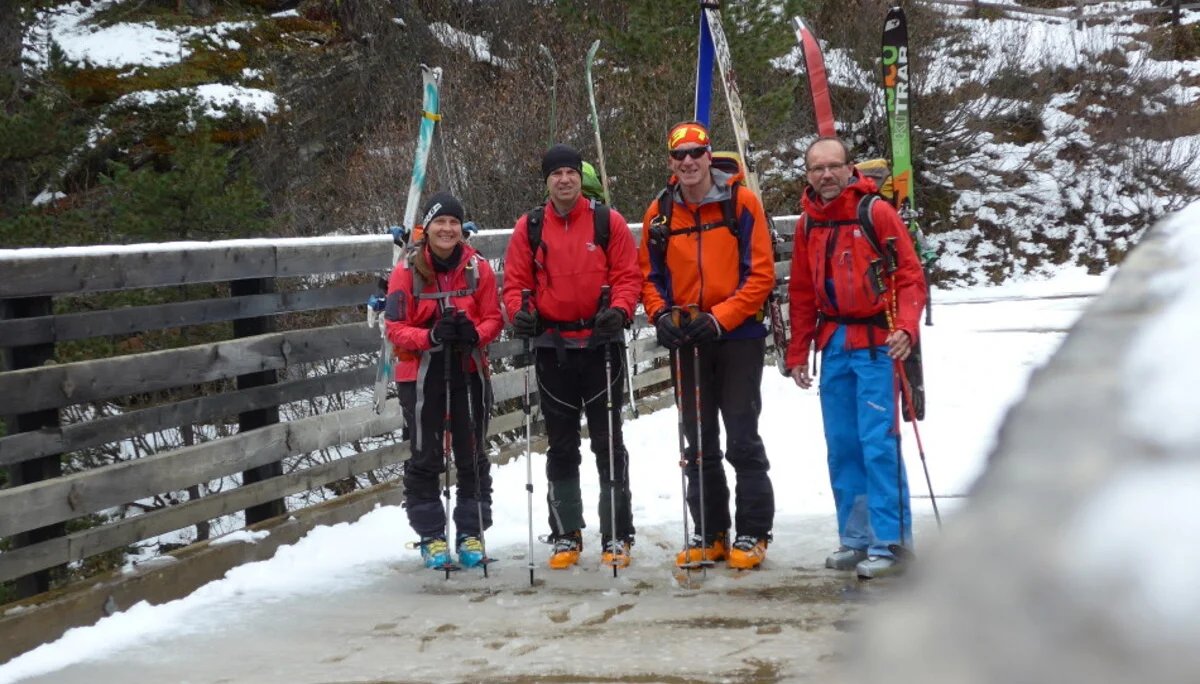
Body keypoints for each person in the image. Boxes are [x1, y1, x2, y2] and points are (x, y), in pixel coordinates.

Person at [784, 137, 927, 579]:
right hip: (835, 345)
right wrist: (797, 351)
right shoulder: (809, 224)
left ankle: (891, 541)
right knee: (843, 444)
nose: (826, 175)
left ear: (850, 168)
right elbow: (803, 293)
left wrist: (905, 326)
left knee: (878, 442)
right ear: (807, 175)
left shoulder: (876, 212)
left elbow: (909, 276)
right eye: (816, 168)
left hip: (878, 344)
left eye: (833, 166)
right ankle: (856, 537)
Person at [637, 121, 777, 571]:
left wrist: (721, 318)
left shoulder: (741, 202)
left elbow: (760, 275)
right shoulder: (659, 213)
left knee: (741, 437)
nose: (689, 162)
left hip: (736, 336)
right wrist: (660, 315)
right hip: (688, 338)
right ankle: (709, 531)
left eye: (696, 153)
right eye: (680, 156)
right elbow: (649, 276)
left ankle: (753, 530)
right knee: (697, 441)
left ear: (709, 155)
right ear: (670, 163)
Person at [501, 144, 643, 570]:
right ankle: (566, 532)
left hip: (601, 346)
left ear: (581, 177)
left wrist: (620, 310)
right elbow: (514, 284)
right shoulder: (529, 227)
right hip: (553, 348)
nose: (564, 180)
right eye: (556, 173)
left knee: (608, 443)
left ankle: (617, 533)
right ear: (546, 180)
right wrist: (519, 315)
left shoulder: (607, 221)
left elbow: (627, 275)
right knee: (561, 446)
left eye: (571, 172)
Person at [384, 192, 504, 569]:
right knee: (426, 455)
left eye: (454, 222)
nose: (448, 229)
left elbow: (493, 317)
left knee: (472, 453)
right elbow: (394, 327)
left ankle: (471, 532)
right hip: (420, 373)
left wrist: (475, 334)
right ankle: (431, 536)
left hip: (468, 366)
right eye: (441, 222)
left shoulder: (477, 267)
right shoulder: (406, 271)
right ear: (428, 227)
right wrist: (430, 337)